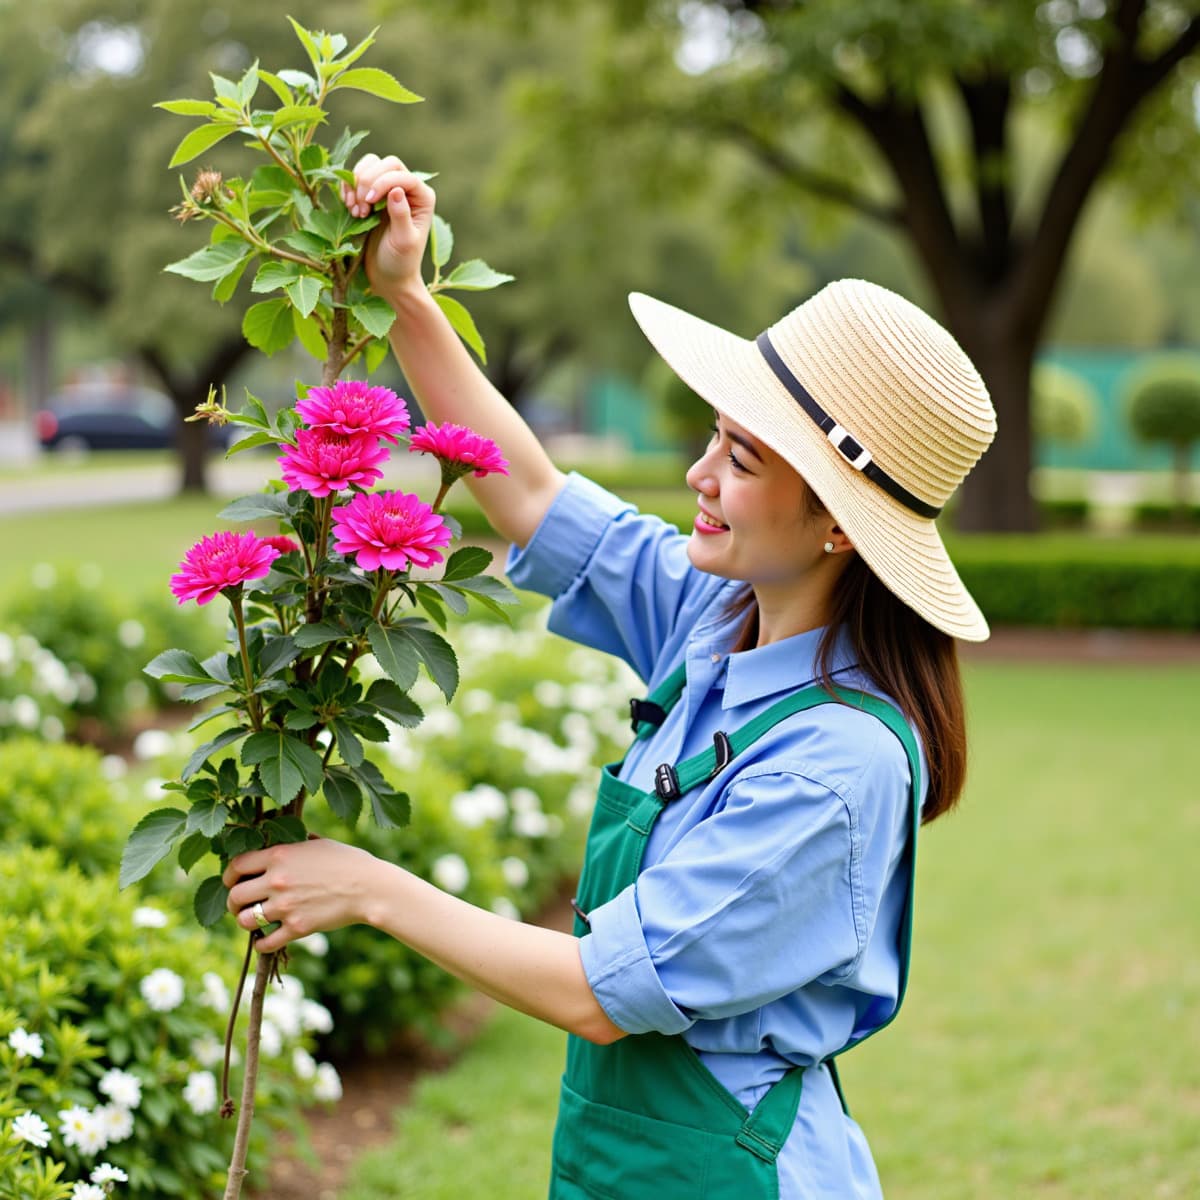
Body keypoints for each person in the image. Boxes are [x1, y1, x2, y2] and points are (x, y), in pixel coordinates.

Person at [225, 155, 997, 1198]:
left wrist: (370, 890)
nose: (699, 475)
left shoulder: (835, 765)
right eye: (714, 438)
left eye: (742, 460)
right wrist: (402, 295)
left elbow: (600, 993)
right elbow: (530, 495)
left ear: (838, 527)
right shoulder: (716, 616)